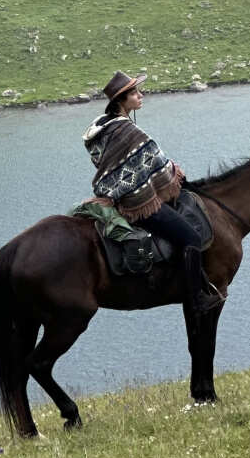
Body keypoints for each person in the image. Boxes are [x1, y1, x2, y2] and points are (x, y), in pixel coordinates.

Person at [83, 70, 217, 312]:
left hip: (119, 198)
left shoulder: (105, 128)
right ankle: (197, 299)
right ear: (121, 101)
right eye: (135, 93)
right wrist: (175, 173)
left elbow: (119, 166)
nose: (140, 95)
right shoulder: (129, 131)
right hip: (139, 203)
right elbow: (157, 162)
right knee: (191, 238)